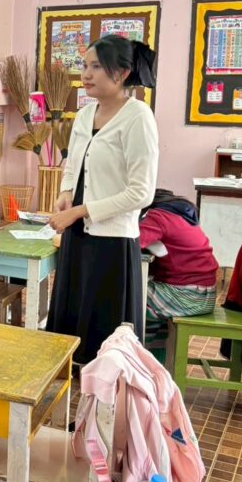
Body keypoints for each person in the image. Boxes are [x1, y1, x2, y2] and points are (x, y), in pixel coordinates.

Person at [47, 35, 159, 364]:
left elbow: (141, 192)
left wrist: (80, 211)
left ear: (122, 73)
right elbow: (73, 164)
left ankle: (105, 398)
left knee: (107, 348)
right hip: (78, 236)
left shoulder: (138, 117)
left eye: (96, 67)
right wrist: (66, 193)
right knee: (70, 337)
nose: (86, 74)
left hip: (112, 244)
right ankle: (73, 392)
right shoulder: (85, 115)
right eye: (85, 66)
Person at [139, 189, 219, 359]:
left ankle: (139, 356)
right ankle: (153, 358)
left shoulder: (157, 217)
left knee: (131, 296)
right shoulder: (180, 215)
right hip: (203, 294)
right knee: (149, 304)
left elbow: (132, 241)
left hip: (188, 296)